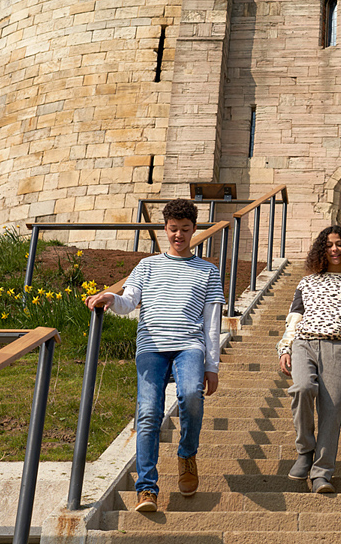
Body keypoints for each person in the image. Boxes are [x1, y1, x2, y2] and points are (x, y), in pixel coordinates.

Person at [85, 199, 223, 511]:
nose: (179, 235)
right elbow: (129, 301)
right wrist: (111, 297)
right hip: (151, 346)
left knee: (190, 394)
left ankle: (187, 454)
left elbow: (211, 321)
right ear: (165, 229)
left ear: (194, 230)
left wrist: (211, 366)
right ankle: (146, 488)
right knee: (148, 414)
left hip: (190, 344)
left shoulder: (208, 271)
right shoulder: (147, 266)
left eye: (185, 230)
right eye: (173, 229)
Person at [275, 226, 341, 493]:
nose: (334, 249)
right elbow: (295, 317)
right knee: (302, 389)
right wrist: (285, 347)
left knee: (333, 411)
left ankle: (322, 473)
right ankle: (305, 451)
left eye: (339, 244)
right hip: (304, 343)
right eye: (328, 245)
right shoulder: (307, 282)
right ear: (320, 251)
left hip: (336, 347)